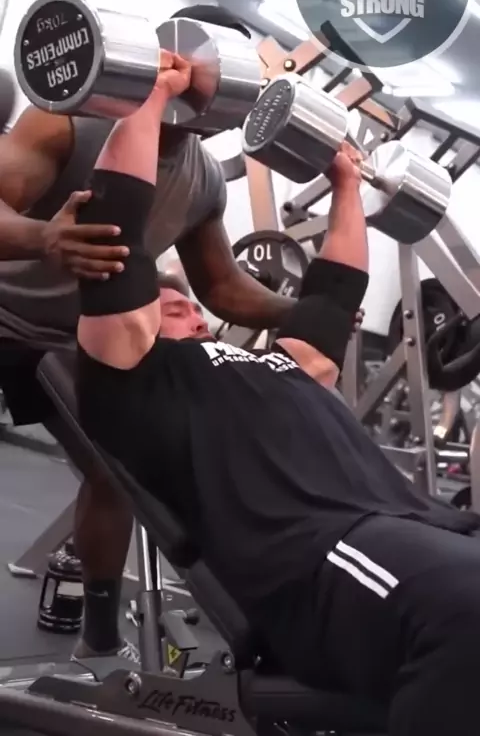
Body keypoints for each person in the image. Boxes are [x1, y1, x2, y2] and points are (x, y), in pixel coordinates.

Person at [76, 54, 480, 735]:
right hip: (319, 552)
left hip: (420, 523)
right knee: (468, 614)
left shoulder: (289, 362)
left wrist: (346, 182)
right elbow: (116, 220)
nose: (189, 307)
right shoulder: (136, 377)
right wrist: (154, 95)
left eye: (191, 305)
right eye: (168, 303)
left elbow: (334, 290)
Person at [0, 4, 298, 662]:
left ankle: (99, 641)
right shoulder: (69, 120)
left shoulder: (205, 179)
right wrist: (44, 237)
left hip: (70, 341)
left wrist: (301, 312)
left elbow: (221, 287)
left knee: (115, 469)